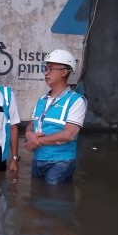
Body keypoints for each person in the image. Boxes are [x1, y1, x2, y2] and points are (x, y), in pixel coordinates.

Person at [24, 49, 87, 185]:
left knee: (55, 200)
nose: (46, 73)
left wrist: (37, 141)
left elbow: (69, 134)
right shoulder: (42, 100)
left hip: (60, 163)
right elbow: (32, 123)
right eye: (45, 69)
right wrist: (29, 134)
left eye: (51, 69)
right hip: (38, 159)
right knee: (37, 196)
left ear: (64, 72)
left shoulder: (76, 101)